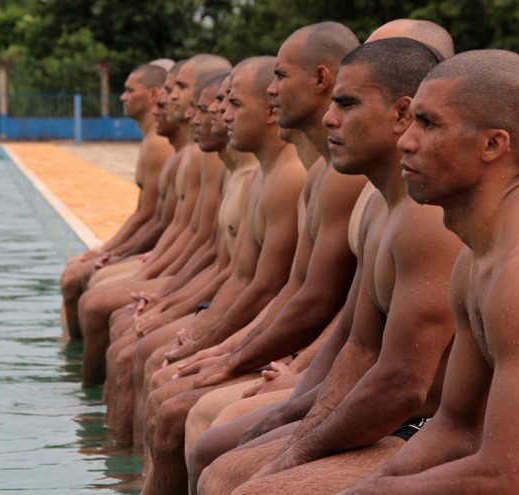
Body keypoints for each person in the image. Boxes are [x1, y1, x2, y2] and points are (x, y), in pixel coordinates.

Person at [187, 19, 455, 490]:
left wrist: (294, 449)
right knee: (218, 455)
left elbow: (400, 385)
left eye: (346, 104)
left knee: (236, 474)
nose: (330, 118)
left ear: (403, 112)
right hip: (392, 407)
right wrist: (290, 410)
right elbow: (355, 342)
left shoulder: (427, 218)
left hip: (431, 425)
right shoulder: (379, 205)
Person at [346, 49, 519, 495]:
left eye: (428, 124)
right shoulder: (476, 257)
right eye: (411, 121)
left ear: (493, 145)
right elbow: (456, 425)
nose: (404, 141)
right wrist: (374, 483)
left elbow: (504, 477)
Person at [141, 56, 307, 495]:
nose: (215, 114)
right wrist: (186, 319)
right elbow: (238, 271)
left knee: (175, 396)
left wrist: (235, 355)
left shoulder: (293, 179)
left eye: (228, 103)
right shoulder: (279, 178)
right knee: (150, 359)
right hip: (300, 352)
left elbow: (285, 292)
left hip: (316, 364)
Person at [76, 54, 231, 387]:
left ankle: (91, 405)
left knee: (100, 305)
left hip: (206, 285)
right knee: (94, 289)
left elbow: (202, 244)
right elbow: (182, 230)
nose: (167, 97)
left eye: (178, 87)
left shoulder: (209, 161)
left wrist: (169, 294)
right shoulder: (196, 157)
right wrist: (145, 268)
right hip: (193, 276)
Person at [59, 63, 174, 340]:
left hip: (162, 250)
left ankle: (77, 364)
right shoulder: (151, 140)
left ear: (152, 94)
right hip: (160, 248)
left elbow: (152, 218)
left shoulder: (158, 144)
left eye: (129, 90)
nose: (122, 97)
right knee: (76, 270)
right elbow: (143, 214)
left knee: (78, 278)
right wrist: (109, 248)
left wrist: (112, 251)